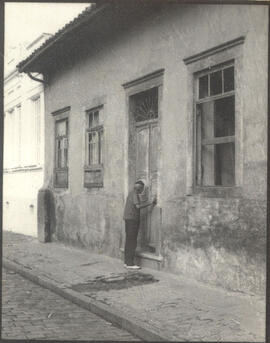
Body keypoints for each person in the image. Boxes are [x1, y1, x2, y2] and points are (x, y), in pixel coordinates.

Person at [123, 180, 157, 270]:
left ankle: (127, 262)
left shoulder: (132, 193)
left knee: (128, 240)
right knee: (132, 241)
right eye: (142, 189)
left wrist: (147, 200)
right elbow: (138, 206)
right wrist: (151, 202)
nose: (142, 191)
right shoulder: (135, 194)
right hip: (132, 220)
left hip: (128, 219)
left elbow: (138, 201)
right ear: (140, 188)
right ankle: (130, 263)